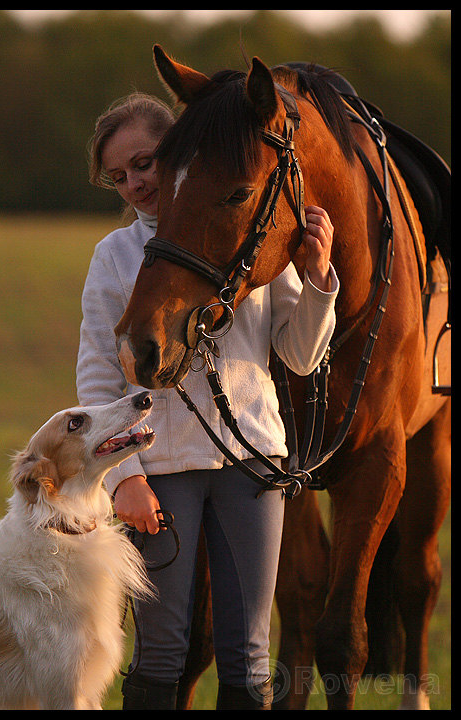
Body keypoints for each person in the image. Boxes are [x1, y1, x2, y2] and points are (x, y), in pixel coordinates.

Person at [77, 93, 339, 710]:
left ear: (179, 155)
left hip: (253, 466)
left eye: (145, 162)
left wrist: (320, 274)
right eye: (120, 176)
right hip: (160, 471)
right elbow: (96, 377)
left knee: (247, 653)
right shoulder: (112, 257)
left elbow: (299, 355)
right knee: (163, 648)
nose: (136, 182)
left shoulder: (248, 232)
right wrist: (124, 477)